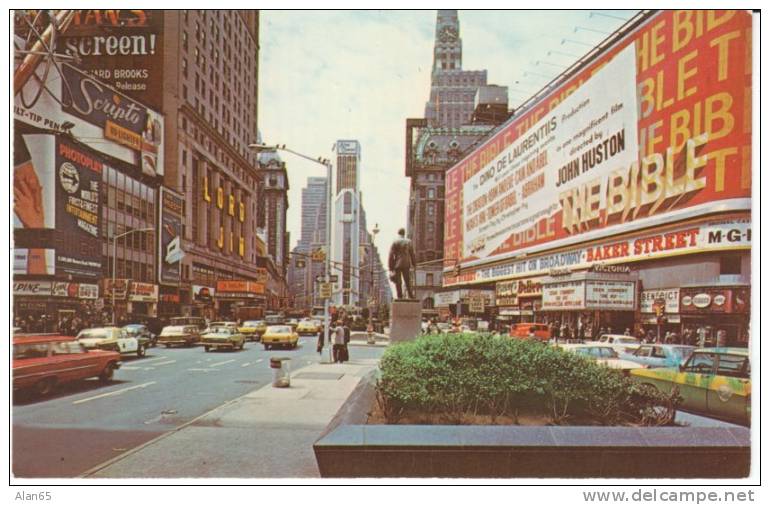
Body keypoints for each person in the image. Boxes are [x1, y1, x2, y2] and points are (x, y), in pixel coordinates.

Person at [388, 228, 417, 299]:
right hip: (406, 264)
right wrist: (414, 264)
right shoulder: (409, 242)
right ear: (404, 233)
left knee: (398, 282)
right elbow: (412, 254)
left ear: (398, 233)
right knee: (407, 281)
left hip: (397, 264)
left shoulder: (395, 242)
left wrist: (390, 267)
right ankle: (411, 295)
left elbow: (391, 255)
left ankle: (399, 296)